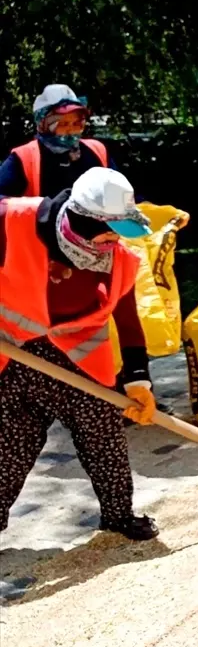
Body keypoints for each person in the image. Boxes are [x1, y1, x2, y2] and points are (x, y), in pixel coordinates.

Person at [0, 168, 159, 541]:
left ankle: (119, 517)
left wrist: (139, 380)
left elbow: (129, 323)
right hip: (16, 355)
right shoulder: (12, 220)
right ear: (80, 222)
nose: (112, 244)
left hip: (81, 362)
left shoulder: (118, 259)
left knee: (104, 440)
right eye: (107, 234)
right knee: (8, 448)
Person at [0, 85, 116, 199]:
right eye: (63, 124)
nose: (71, 131)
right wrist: (45, 209)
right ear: (43, 124)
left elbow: (122, 194)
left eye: (76, 123)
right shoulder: (25, 157)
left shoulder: (97, 150)